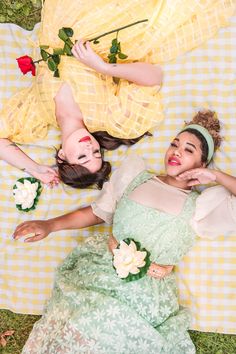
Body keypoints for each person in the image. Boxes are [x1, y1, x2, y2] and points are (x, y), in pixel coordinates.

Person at [13, 111, 236, 353]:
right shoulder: (135, 177)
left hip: (146, 290)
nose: (176, 151)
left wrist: (215, 176)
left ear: (202, 164)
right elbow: (98, 212)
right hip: (102, 270)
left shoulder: (202, 206)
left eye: (189, 149)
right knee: (83, 321)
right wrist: (50, 225)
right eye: (174, 144)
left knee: (111, 328)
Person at [1, 0, 234, 189]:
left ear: (62, 153)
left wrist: (34, 168)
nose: (88, 147)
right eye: (95, 152)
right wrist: (103, 67)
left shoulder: (38, 115)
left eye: (82, 157)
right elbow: (154, 77)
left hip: (63, 23)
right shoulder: (109, 118)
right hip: (102, 34)